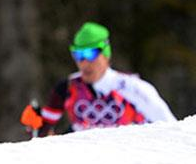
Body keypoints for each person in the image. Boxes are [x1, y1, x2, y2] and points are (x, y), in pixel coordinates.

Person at [28, 22, 176, 135]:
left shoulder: (132, 88)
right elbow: (43, 132)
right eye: (78, 55)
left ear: (106, 54)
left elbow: (172, 129)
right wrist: (34, 123)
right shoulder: (67, 88)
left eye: (90, 53)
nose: (84, 62)